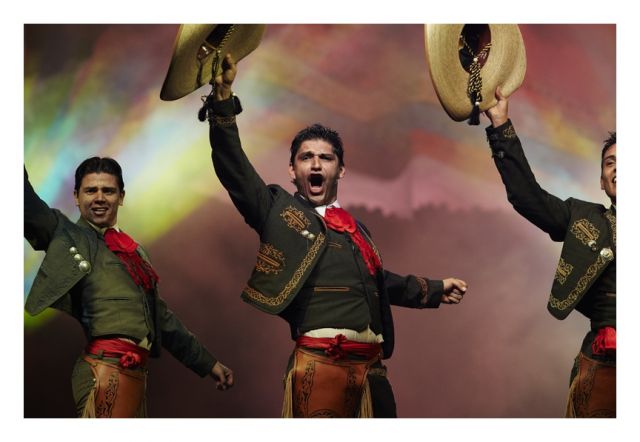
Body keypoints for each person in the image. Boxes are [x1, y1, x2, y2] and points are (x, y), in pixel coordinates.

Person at [205, 53, 468, 418]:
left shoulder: (358, 230)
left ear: (340, 170)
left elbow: (380, 282)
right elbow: (234, 167)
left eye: (325, 158)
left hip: (373, 371)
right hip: (319, 366)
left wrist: (434, 289)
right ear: (292, 170)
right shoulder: (277, 210)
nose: (315, 164)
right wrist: (222, 103)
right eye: (306, 157)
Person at [24, 157, 234, 417]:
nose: (99, 197)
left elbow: (162, 319)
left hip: (133, 374)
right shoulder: (67, 236)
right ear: (76, 197)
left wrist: (208, 363)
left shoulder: (135, 252)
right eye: (91, 190)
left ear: (121, 197)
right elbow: (27, 206)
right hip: (105, 369)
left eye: (108, 191)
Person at [484, 87, 616, 417]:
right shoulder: (585, 217)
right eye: (610, 163)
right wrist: (501, 124)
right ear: (602, 180)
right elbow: (527, 198)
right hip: (605, 364)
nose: (618, 168)